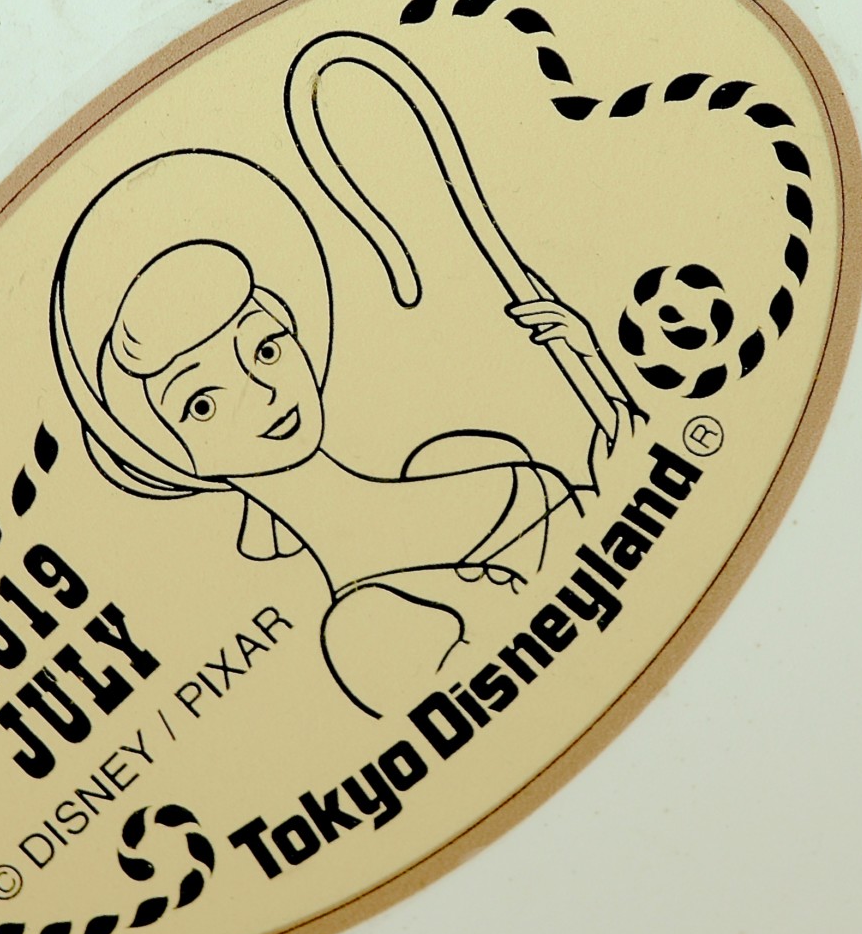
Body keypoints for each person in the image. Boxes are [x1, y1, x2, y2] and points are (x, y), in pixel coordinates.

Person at [52, 149, 637, 716]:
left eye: (266, 347)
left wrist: (608, 401)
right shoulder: (364, 629)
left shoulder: (468, 458)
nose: (263, 391)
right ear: (174, 454)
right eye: (202, 403)